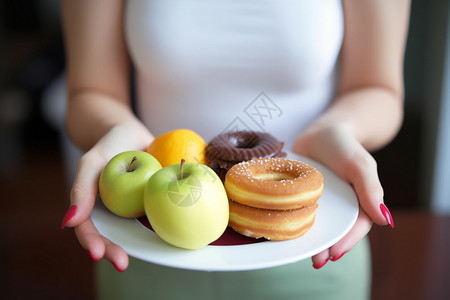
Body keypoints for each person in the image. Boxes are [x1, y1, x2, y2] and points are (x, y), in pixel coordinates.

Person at [60, 0, 410, 299]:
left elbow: (377, 87)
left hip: (314, 246)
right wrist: (116, 130)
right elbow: (90, 90)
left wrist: (338, 131)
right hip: (148, 243)